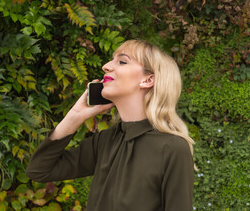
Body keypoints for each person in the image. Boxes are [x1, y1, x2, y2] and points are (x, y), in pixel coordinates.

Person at [26, 39, 194, 211]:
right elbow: (39, 171)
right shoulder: (105, 141)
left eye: (122, 61)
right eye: (111, 60)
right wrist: (75, 116)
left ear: (148, 80)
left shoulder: (172, 148)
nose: (106, 66)